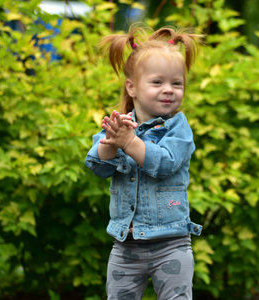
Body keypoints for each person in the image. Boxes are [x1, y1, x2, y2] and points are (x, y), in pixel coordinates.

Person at [84, 24, 203, 300]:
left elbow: (165, 163)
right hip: (126, 246)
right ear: (132, 87)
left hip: (171, 244)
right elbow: (97, 166)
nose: (169, 90)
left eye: (177, 83)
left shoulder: (179, 129)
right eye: (157, 82)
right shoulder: (120, 126)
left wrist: (131, 142)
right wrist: (111, 144)